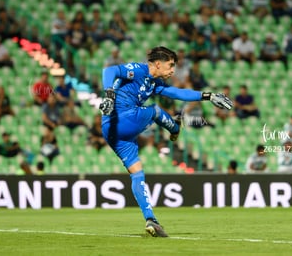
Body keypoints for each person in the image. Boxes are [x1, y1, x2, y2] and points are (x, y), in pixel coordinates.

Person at [99, 46, 232, 237]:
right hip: (118, 119)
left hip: (116, 134)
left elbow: (178, 93)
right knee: (154, 110)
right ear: (158, 64)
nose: (172, 70)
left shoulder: (155, 84)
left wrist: (208, 96)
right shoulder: (138, 69)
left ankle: (151, 220)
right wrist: (110, 93)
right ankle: (175, 128)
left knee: (137, 174)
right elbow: (109, 70)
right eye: (170, 66)